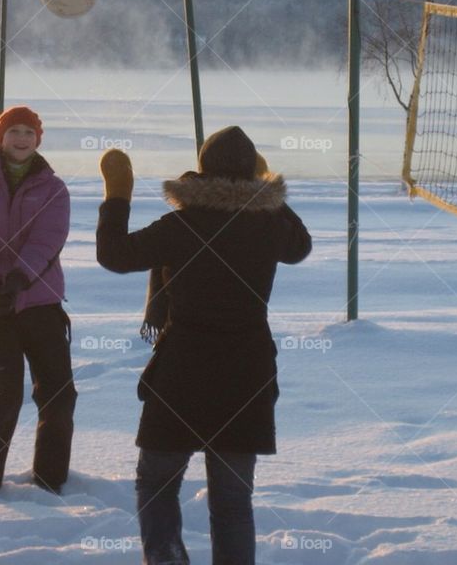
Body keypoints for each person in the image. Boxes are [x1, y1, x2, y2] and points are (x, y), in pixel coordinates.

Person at [96, 126, 312, 564]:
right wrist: (266, 191)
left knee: (156, 483)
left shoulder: (182, 224)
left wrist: (118, 193)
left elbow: (114, 254)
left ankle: (166, 556)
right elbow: (301, 246)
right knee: (232, 501)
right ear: (254, 171)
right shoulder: (269, 225)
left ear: (202, 169)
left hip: (182, 374)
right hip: (246, 376)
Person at [0, 105, 76, 495]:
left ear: (38, 139)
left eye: (28, 132)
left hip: (40, 301)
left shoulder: (53, 188)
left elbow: (48, 239)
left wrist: (21, 279)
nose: (21, 139)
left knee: (58, 393)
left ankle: (50, 480)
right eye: (14, 132)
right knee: (5, 393)